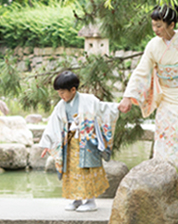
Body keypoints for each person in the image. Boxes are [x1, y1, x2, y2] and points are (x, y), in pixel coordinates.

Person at [118, 5, 178, 171]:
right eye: (153, 25)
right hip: (166, 99)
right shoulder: (153, 45)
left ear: (172, 24)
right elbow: (142, 70)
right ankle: (163, 182)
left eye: (159, 26)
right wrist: (127, 97)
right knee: (163, 143)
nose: (155, 29)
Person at [38, 71, 119, 212]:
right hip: (70, 143)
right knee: (71, 172)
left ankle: (90, 201)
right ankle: (76, 199)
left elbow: (104, 110)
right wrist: (47, 143)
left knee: (86, 171)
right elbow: (53, 122)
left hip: (87, 144)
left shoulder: (89, 100)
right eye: (59, 93)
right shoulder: (61, 105)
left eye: (63, 93)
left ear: (73, 89)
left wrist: (118, 107)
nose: (61, 96)